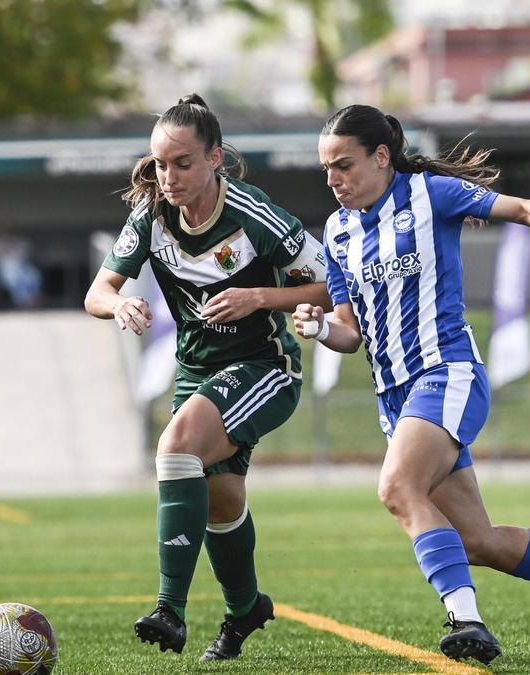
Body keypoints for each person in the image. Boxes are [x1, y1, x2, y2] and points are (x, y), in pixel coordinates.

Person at [292, 105, 530, 665]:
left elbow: (518, 206)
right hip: (395, 398)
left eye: (343, 165)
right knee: (477, 541)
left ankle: (466, 621)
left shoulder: (430, 194)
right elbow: (350, 333)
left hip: (446, 373)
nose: (333, 180)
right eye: (326, 169)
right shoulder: (338, 230)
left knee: (398, 489)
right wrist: (322, 326)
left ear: (380, 158)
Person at [84, 94, 332, 661]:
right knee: (220, 501)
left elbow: (335, 285)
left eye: (182, 163)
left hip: (266, 369)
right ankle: (246, 610)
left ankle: (170, 608)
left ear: (215, 157)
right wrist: (118, 306)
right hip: (196, 373)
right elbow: (97, 292)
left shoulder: (255, 216)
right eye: (158, 165)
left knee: (175, 448)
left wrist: (259, 297)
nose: (167, 177)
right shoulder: (150, 215)